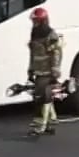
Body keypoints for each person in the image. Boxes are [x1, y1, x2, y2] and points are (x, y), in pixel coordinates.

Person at [25, 8, 65, 137]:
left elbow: (56, 53)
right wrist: (30, 70)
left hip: (47, 72)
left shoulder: (50, 34)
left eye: (36, 20)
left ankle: (39, 127)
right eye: (33, 20)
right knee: (46, 97)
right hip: (38, 71)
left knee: (40, 99)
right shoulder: (34, 33)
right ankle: (50, 123)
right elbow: (33, 53)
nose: (34, 23)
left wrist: (55, 70)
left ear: (42, 21)